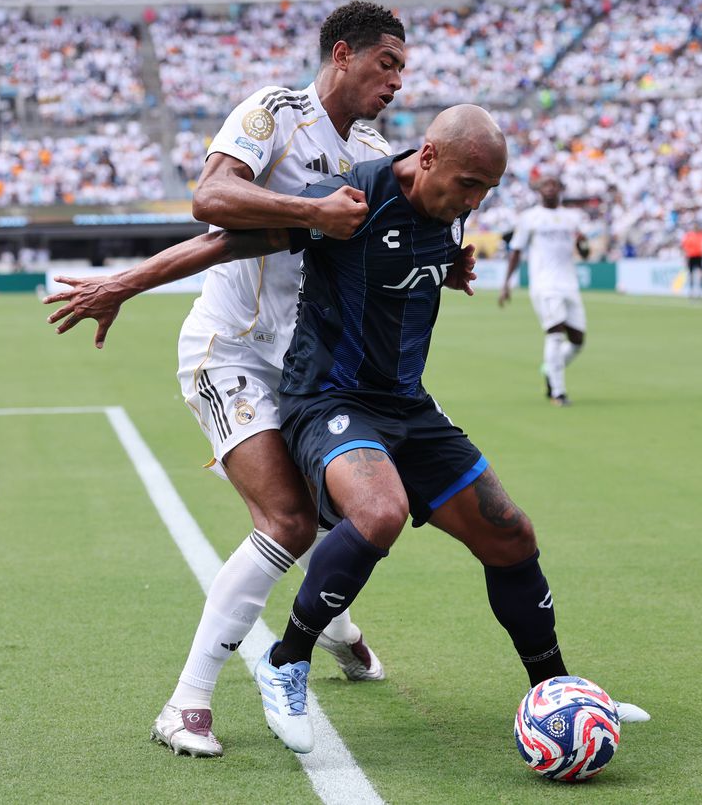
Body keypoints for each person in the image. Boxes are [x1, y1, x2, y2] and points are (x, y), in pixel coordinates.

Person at [166, 105, 648, 753]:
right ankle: (287, 659)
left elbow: (419, 254)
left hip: (407, 405)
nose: (474, 199)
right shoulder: (351, 199)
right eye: (468, 183)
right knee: (379, 510)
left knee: (511, 534)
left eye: (486, 190)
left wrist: (449, 264)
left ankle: (556, 689)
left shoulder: (451, 210)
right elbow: (226, 240)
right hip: (327, 397)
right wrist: (123, 283)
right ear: (427, 158)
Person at [43, 2, 412, 758]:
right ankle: (186, 701)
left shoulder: (372, 148)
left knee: (345, 516)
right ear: (342, 54)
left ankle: (336, 630)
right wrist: (309, 211)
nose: (398, 83)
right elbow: (212, 207)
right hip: (229, 352)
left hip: (310, 365)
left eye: (403, 70)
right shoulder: (275, 114)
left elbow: (384, 240)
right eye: (387, 65)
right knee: (286, 520)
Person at [498, 173, 587, 407]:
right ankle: (558, 392)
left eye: (554, 184)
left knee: (578, 340)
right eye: (545, 185)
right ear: (539, 190)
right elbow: (516, 250)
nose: (549, 188)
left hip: (569, 283)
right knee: (555, 333)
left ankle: (551, 368)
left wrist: (583, 244)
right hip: (545, 284)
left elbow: (584, 251)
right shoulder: (530, 218)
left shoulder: (571, 218)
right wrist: (507, 283)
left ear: (560, 189)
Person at [681, 223, 702, 299]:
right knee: (691, 275)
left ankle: (700, 293)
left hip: (699, 256)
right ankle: (691, 292)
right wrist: (685, 258)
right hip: (691, 256)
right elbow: (684, 247)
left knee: (701, 275)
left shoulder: (701, 235)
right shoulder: (689, 236)